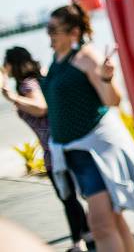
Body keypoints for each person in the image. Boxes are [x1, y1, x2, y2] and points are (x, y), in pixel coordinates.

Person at [41, 2, 134, 252]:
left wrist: (106, 78)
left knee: (99, 225)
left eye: (53, 29)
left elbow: (113, 101)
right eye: (47, 28)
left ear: (73, 33)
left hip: (94, 153)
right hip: (73, 154)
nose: (49, 34)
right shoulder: (58, 59)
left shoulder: (86, 57)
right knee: (113, 220)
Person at [2, 46, 93, 252]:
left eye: (6, 63)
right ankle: (87, 233)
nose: (4, 67)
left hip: (55, 149)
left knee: (67, 196)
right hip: (65, 142)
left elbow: (41, 108)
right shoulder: (40, 79)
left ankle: (79, 241)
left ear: (14, 63)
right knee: (76, 194)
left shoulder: (27, 85)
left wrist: (11, 97)